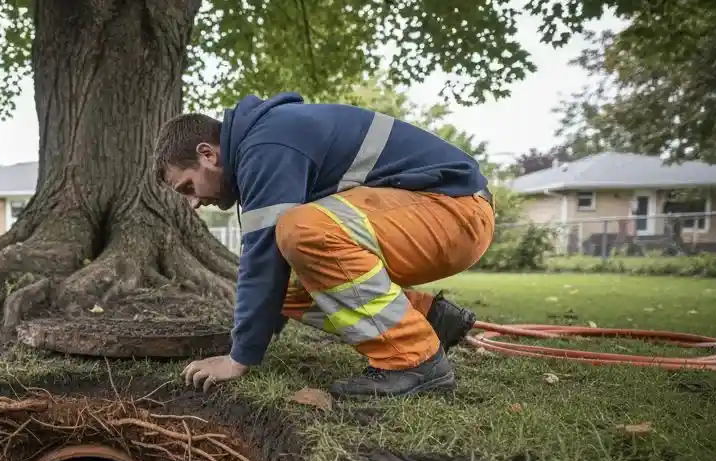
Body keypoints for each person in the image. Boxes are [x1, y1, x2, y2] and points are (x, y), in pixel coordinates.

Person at [155, 92, 494, 397]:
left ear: (207, 154)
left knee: (300, 230)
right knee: (283, 290)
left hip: (456, 212)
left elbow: (262, 260)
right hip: (436, 215)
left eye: (188, 188)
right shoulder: (262, 142)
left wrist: (238, 359)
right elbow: (268, 277)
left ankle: (412, 358)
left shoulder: (266, 145)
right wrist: (245, 341)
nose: (194, 204)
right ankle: (429, 317)